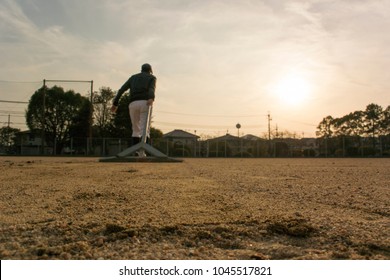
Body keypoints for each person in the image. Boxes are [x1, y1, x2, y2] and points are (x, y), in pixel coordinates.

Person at [111, 63, 156, 148]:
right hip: (145, 102)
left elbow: (122, 89)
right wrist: (151, 97)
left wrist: (115, 103)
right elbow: (151, 88)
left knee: (135, 129)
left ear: (141, 70)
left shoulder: (133, 78)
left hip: (133, 103)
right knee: (144, 129)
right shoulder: (152, 77)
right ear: (150, 71)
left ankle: (135, 151)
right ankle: (143, 152)